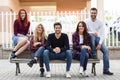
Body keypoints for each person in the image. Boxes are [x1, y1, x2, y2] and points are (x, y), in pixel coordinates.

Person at [85, 7, 113, 75]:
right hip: (89, 39)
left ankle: (106, 70)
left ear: (96, 13)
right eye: (92, 13)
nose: (93, 14)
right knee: (92, 36)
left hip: (97, 39)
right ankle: (93, 54)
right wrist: (92, 33)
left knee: (106, 50)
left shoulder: (99, 22)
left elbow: (103, 34)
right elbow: (84, 32)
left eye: (94, 13)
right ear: (90, 13)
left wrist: (100, 44)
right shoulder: (86, 21)